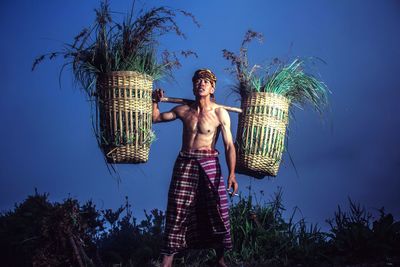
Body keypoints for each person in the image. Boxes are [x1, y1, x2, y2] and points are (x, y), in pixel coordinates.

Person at [152, 69, 239, 267]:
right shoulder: (183, 110)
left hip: (209, 163)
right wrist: (155, 101)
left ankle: (220, 259)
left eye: (206, 81)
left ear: (212, 88)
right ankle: (167, 261)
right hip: (185, 163)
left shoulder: (220, 113)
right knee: (177, 209)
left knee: (216, 208)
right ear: (193, 86)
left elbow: (228, 146)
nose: (201, 84)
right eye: (198, 81)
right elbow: (155, 118)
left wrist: (232, 174)